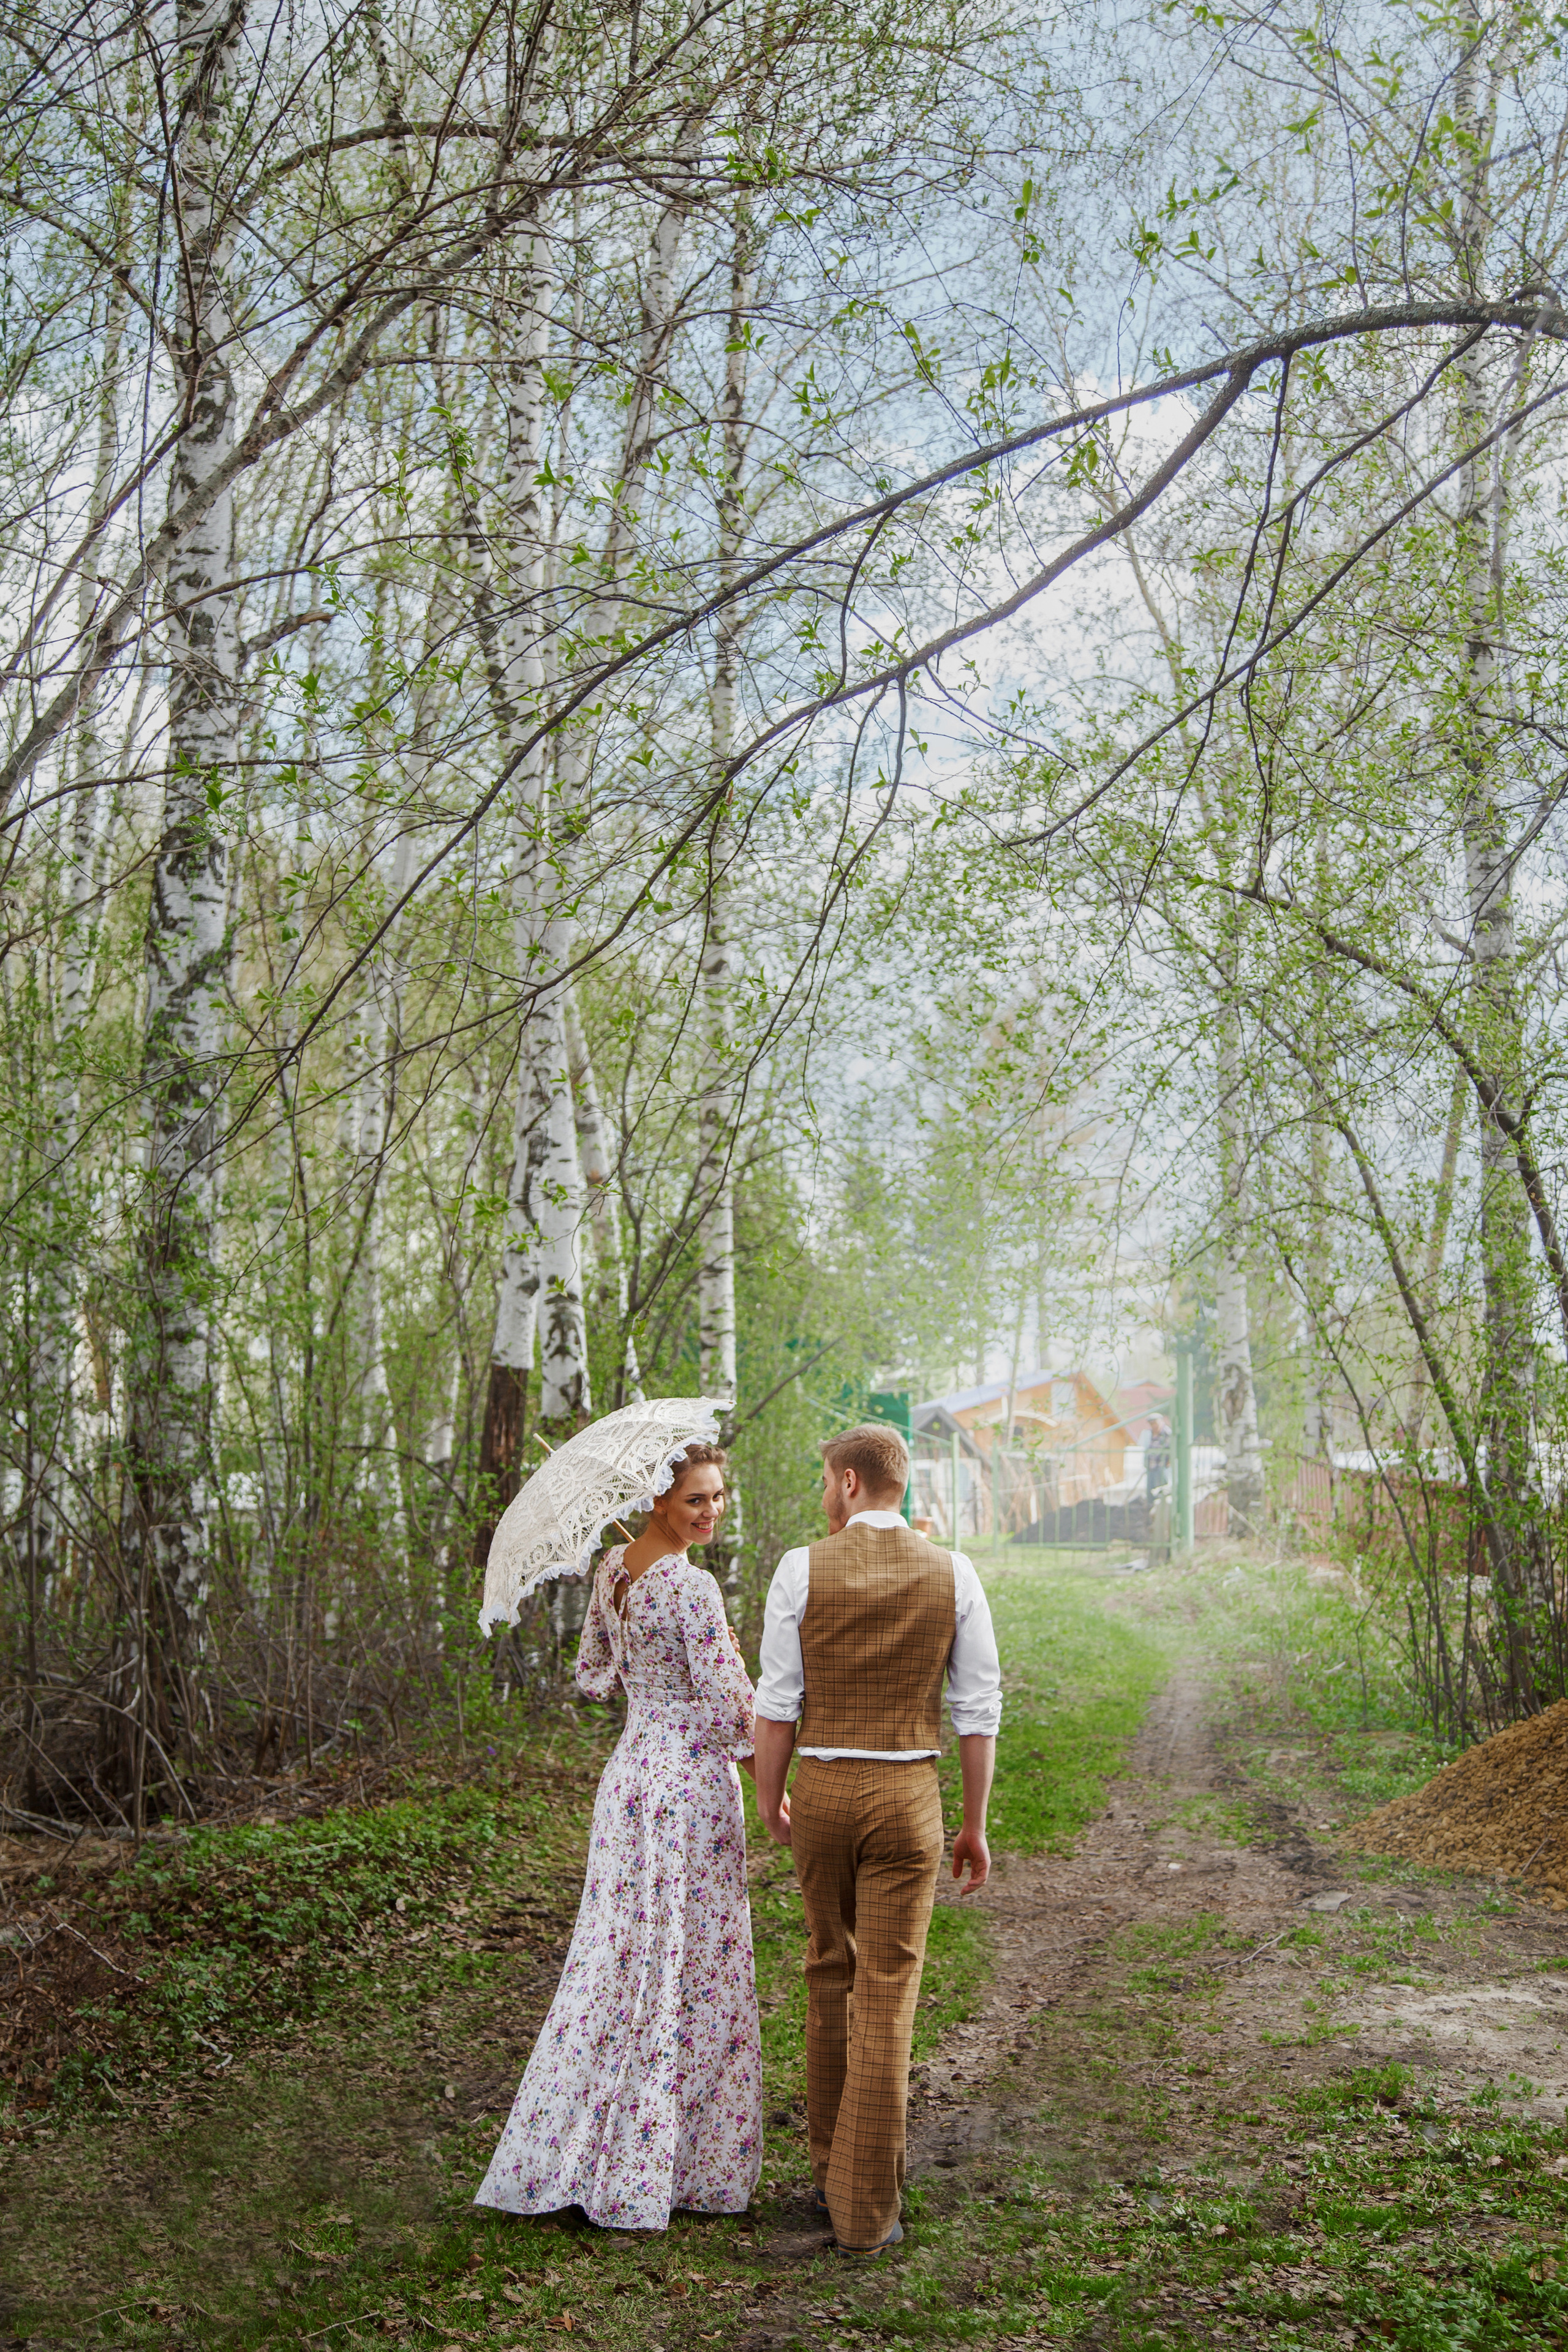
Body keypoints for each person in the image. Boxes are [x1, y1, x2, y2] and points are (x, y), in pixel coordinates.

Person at [474, 1442, 762, 2232]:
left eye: (718, 1497)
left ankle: (585, 2150)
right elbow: (733, 1715)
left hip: (631, 1780)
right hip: (688, 1790)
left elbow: (595, 1676)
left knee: (621, 1957)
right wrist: (749, 1688)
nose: (712, 1511)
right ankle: (660, 2167)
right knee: (686, 1962)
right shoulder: (692, 1586)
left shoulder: (613, 1571)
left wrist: (667, 1667)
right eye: (697, 1500)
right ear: (659, 1503)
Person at [752, 1423, 1001, 2257]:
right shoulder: (954, 1571)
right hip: (907, 1795)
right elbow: (977, 1709)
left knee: (830, 1970)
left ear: (852, 1482)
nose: (825, 1495)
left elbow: (778, 1702)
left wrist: (770, 1797)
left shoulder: (801, 1568)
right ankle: (870, 2208)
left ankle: (832, 2171)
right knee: (888, 1990)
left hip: (822, 1792)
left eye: (828, 1480)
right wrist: (973, 1823)